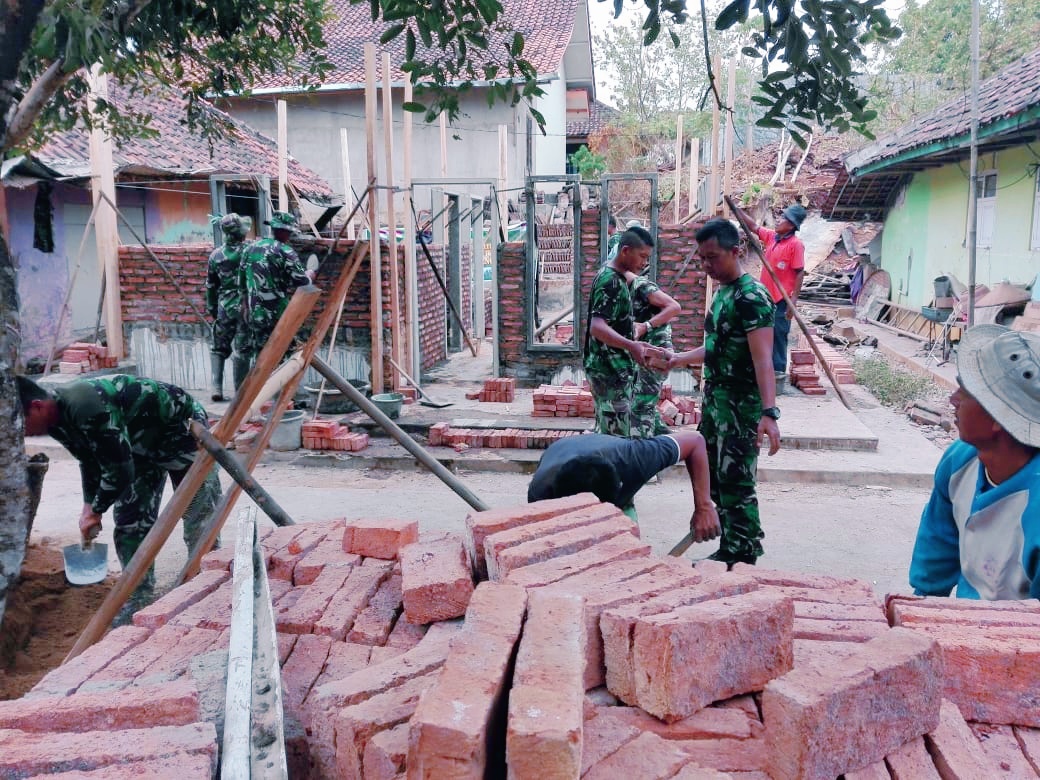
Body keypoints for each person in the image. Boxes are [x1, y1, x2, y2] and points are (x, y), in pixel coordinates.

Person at [17, 375, 222, 613]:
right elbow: (89, 461)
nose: (20, 433)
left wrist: (97, 509)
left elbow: (120, 471)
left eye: (20, 423)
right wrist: (88, 505)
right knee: (130, 522)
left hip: (177, 427)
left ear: (37, 407)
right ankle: (138, 595)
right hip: (136, 445)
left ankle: (208, 579)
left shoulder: (85, 406)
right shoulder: (54, 422)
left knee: (197, 507)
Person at [670, 218, 780, 567]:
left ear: (737, 251)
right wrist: (676, 360)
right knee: (716, 480)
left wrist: (769, 413)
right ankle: (731, 548)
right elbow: (713, 348)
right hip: (716, 405)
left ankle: (743, 556)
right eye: (702, 258)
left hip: (741, 408)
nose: (706, 265)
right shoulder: (722, 295)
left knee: (737, 484)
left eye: (713, 257)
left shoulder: (752, 297)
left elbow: (764, 360)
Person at [909, 325, 1040, 600]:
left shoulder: (1034, 511)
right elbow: (937, 546)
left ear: (997, 418)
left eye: (965, 392)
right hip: (964, 623)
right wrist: (920, 612)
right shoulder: (959, 460)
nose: (952, 399)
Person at [528, 430, 720, 538]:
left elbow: (695, 441)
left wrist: (704, 507)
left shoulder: (635, 459)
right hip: (561, 451)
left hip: (602, 451)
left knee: (623, 542)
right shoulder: (541, 495)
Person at [584, 226, 665, 438]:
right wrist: (631, 345)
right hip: (609, 372)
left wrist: (636, 342)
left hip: (613, 371)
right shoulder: (610, 281)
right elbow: (597, 327)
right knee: (615, 440)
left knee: (609, 434)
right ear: (625, 251)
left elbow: (614, 325)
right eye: (642, 256)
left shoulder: (616, 279)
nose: (644, 263)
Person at [233, 211, 315, 387]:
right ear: (284, 231)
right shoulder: (285, 251)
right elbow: (302, 281)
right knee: (285, 351)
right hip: (278, 313)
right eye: (290, 232)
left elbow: (241, 283)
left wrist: (245, 307)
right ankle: (279, 395)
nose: (291, 236)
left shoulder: (249, 249)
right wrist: (310, 274)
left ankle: (256, 395)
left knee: (261, 354)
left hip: (254, 312)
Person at [733, 202, 806, 385]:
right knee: (762, 331)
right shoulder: (773, 237)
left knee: (779, 333)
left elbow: (799, 272)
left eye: (783, 219)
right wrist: (737, 209)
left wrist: (793, 300)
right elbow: (754, 227)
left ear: (791, 225)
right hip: (766, 296)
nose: (778, 220)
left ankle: (778, 372)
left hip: (783, 298)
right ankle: (762, 369)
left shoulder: (795, 245)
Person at [626, 269, 682, 437]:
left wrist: (645, 326)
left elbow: (675, 307)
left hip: (656, 353)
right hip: (642, 352)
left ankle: (642, 448)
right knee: (642, 398)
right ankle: (667, 439)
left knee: (641, 403)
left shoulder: (641, 286)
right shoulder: (622, 291)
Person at [206, 213, 251, 402]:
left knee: (218, 347)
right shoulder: (249, 251)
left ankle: (216, 387)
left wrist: (212, 308)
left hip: (224, 305)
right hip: (245, 306)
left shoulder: (216, 255)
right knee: (242, 349)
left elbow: (211, 286)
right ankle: (240, 392)